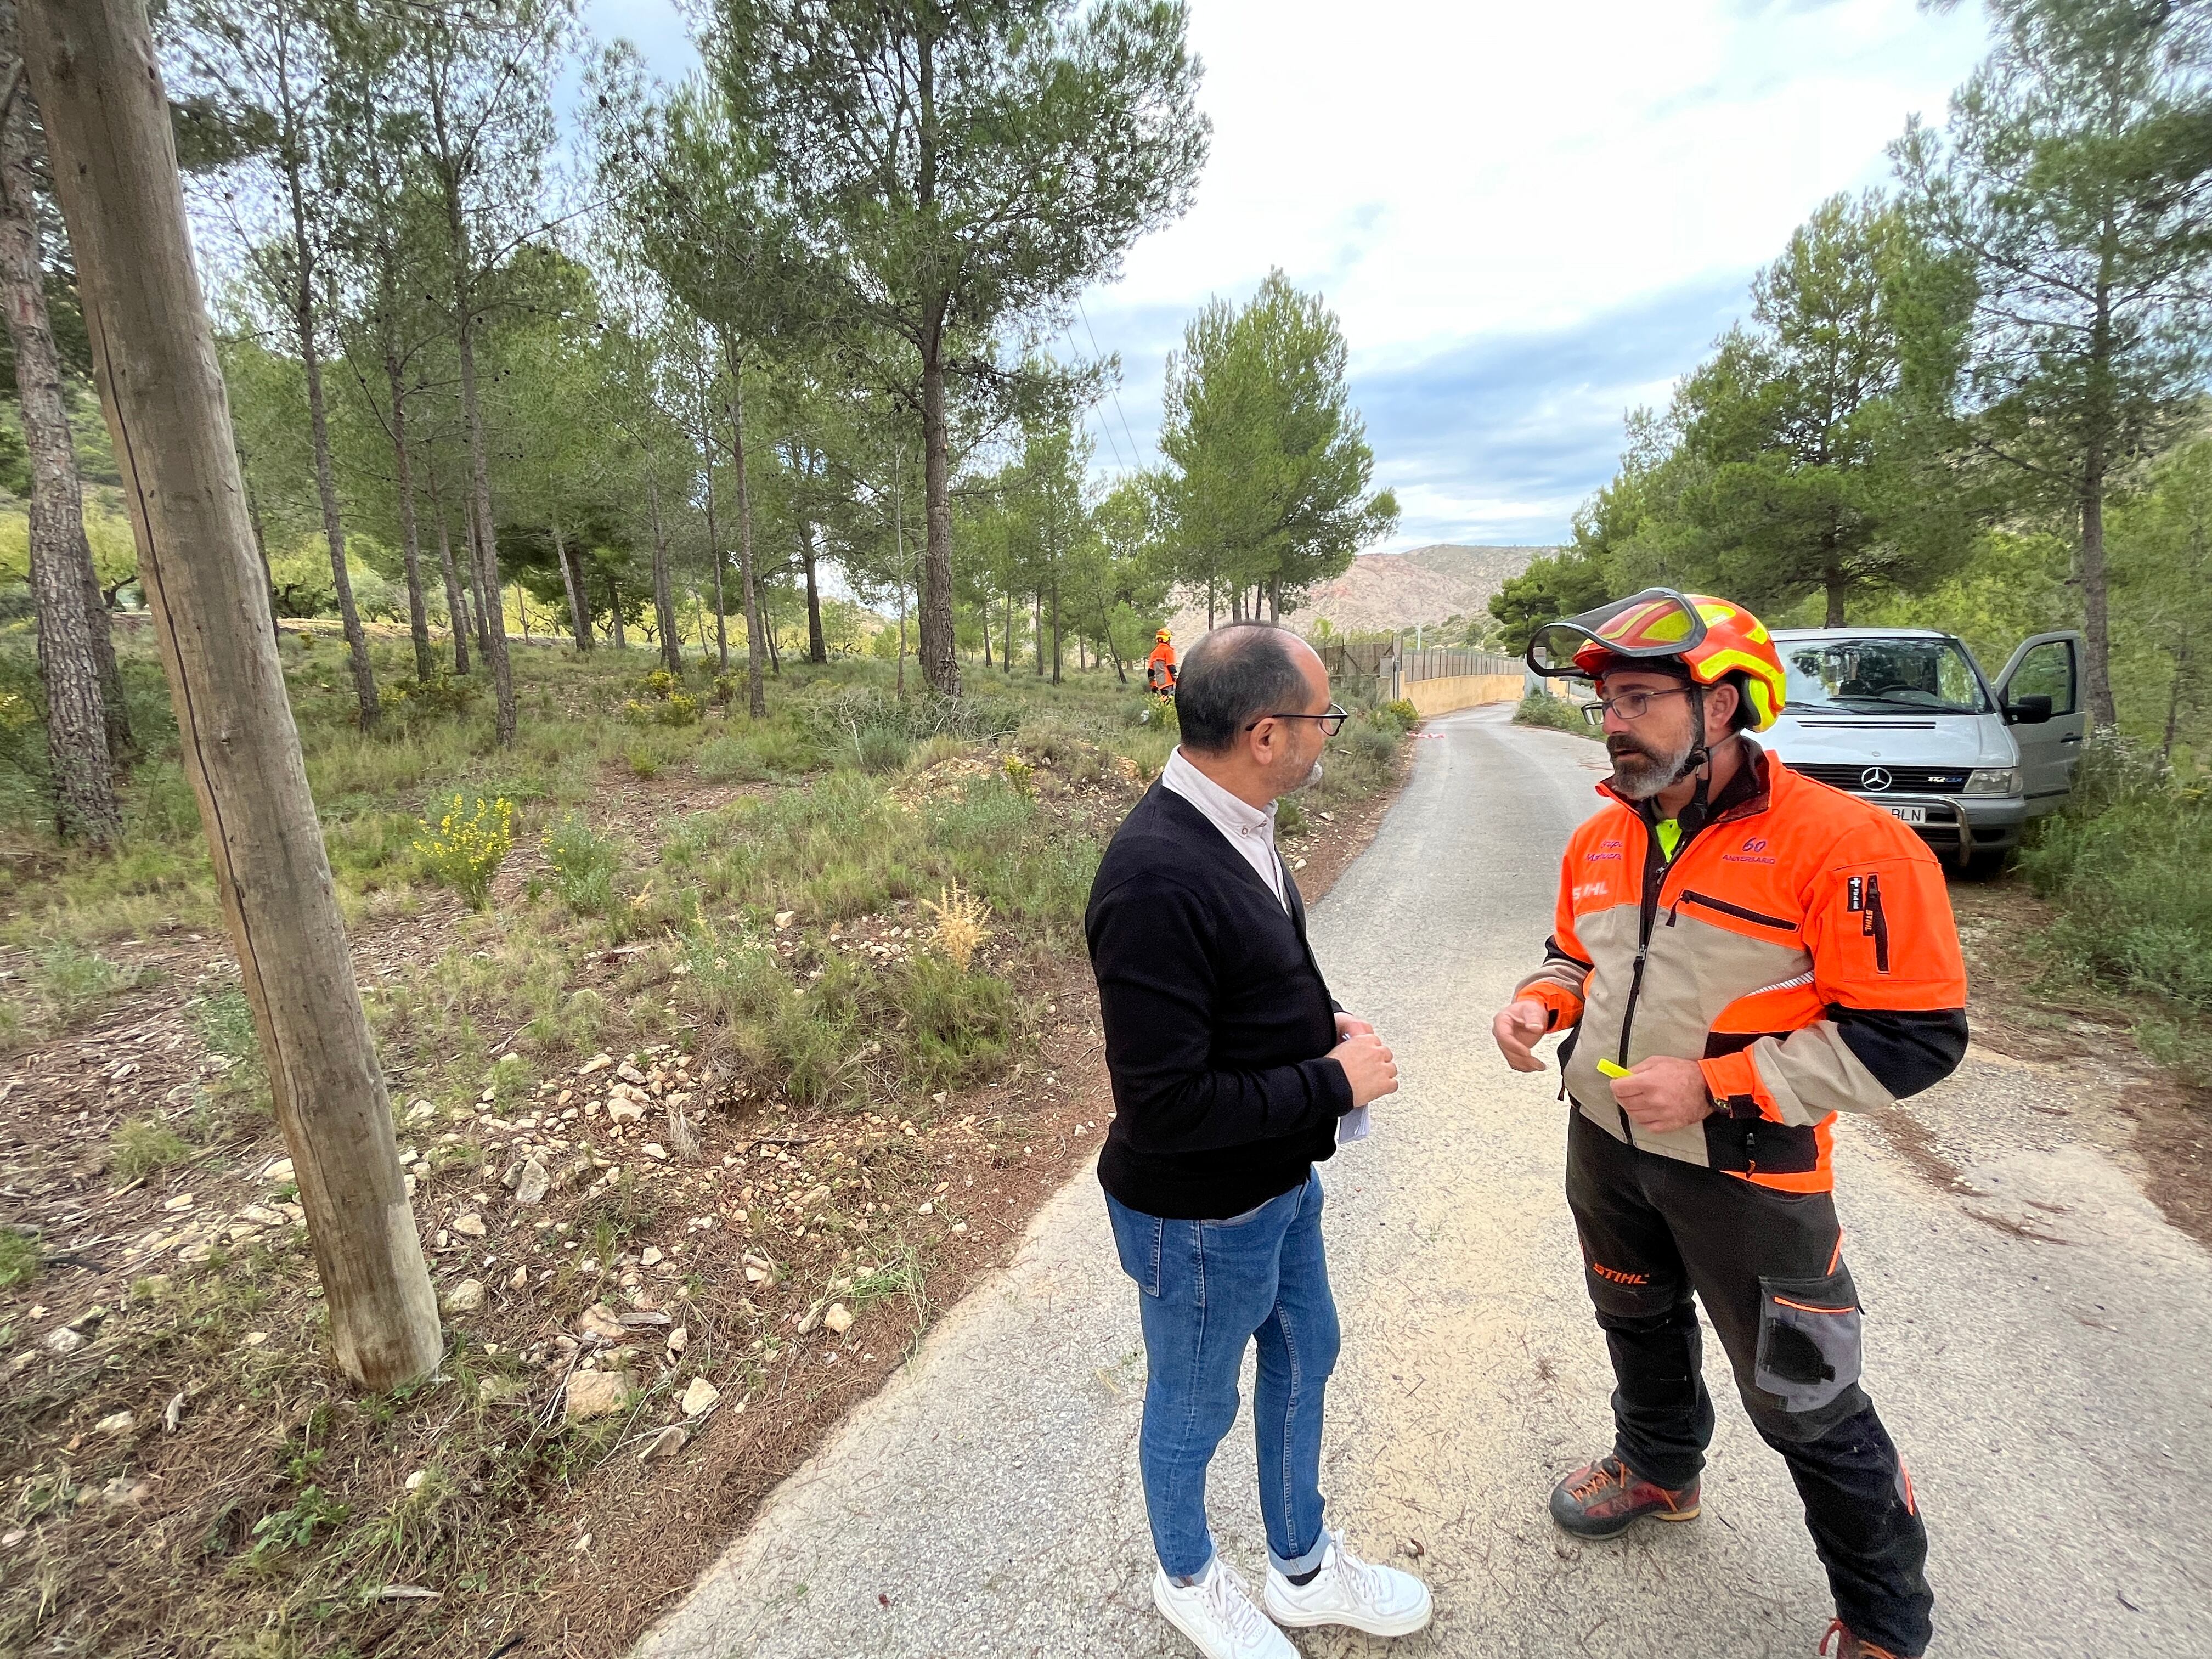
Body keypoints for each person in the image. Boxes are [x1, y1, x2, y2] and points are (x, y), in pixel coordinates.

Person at [1491, 590, 1967, 1659]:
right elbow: (1576, 953)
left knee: (1807, 1393)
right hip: (1607, 1147)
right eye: (1607, 702)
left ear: (1721, 705)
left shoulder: (1848, 845)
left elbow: (1915, 1037)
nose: (1614, 723)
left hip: (1750, 1169)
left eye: (1640, 698)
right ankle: (1660, 1467)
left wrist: (1716, 1086)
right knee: (1634, 1315)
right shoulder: (1600, 836)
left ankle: (1886, 1620)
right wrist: (1540, 1002)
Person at [1086, 621, 1432, 1659]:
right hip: (1196, 1219)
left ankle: (1303, 1567)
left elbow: (1242, 982)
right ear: (1266, 733)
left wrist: (1320, 1024)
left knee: (1305, 1353)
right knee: (1193, 1408)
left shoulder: (1239, 818)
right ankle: (1188, 1578)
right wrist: (1330, 1081)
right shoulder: (1153, 877)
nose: (1333, 731)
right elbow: (1165, 1106)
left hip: (1278, 1183)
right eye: (1324, 716)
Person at [1147, 627, 1180, 696]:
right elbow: (1171, 667)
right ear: (1167, 639)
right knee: (1170, 700)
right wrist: (1180, 680)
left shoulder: (1154, 653)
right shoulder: (1168, 651)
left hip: (1160, 684)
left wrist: (1153, 686)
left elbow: (1150, 672)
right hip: (1168, 683)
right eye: (1169, 639)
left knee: (1164, 700)